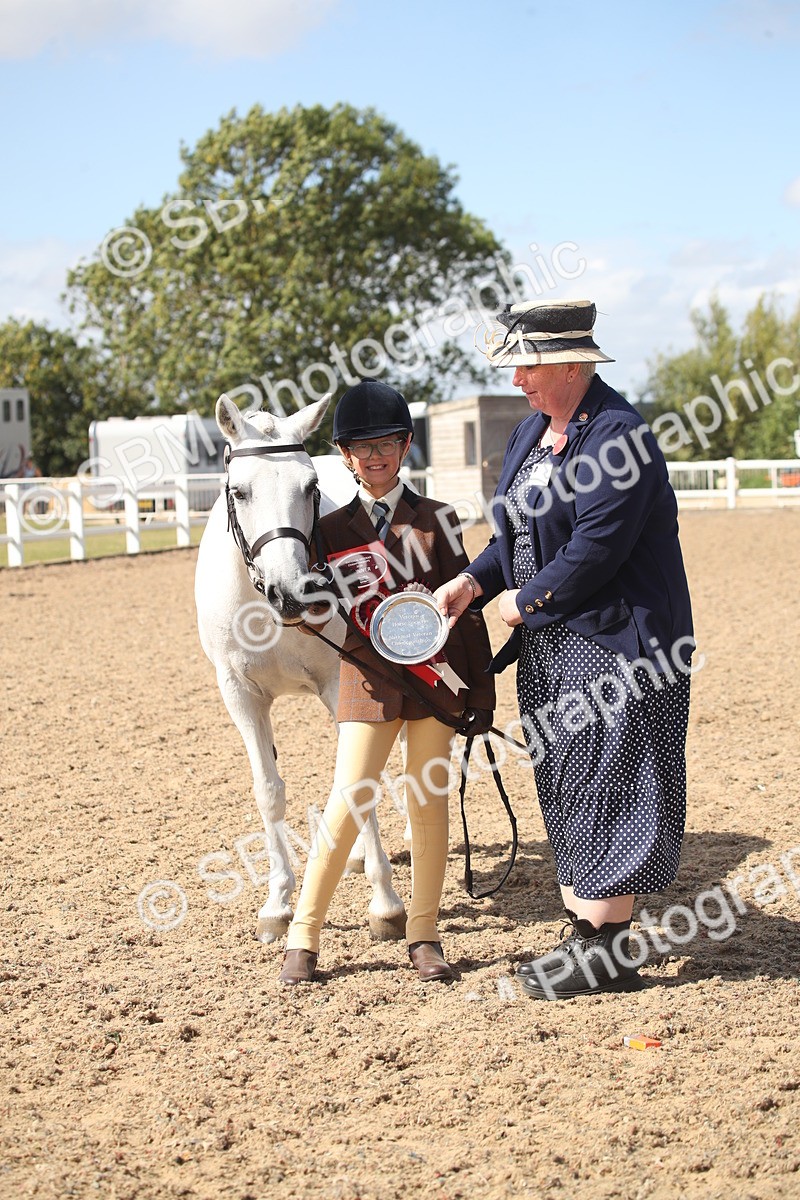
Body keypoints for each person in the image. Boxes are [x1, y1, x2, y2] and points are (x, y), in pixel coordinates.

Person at [434, 300, 694, 1000]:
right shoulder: (530, 435)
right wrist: (471, 583)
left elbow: (594, 551)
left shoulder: (620, 436)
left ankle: (605, 954)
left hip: (619, 642)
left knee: (612, 775)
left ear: (573, 365)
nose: (517, 378)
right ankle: (584, 928)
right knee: (569, 774)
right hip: (555, 643)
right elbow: (513, 536)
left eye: (528, 365)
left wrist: (525, 602)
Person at [279, 378, 496, 985]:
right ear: (345, 457)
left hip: (434, 683)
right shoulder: (329, 530)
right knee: (349, 799)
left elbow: (467, 609)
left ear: (405, 448)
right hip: (367, 681)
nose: (374, 457)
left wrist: (478, 691)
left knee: (428, 806)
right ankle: (304, 935)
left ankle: (424, 933)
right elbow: (318, 610)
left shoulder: (438, 520)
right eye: (361, 447)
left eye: (386, 445)